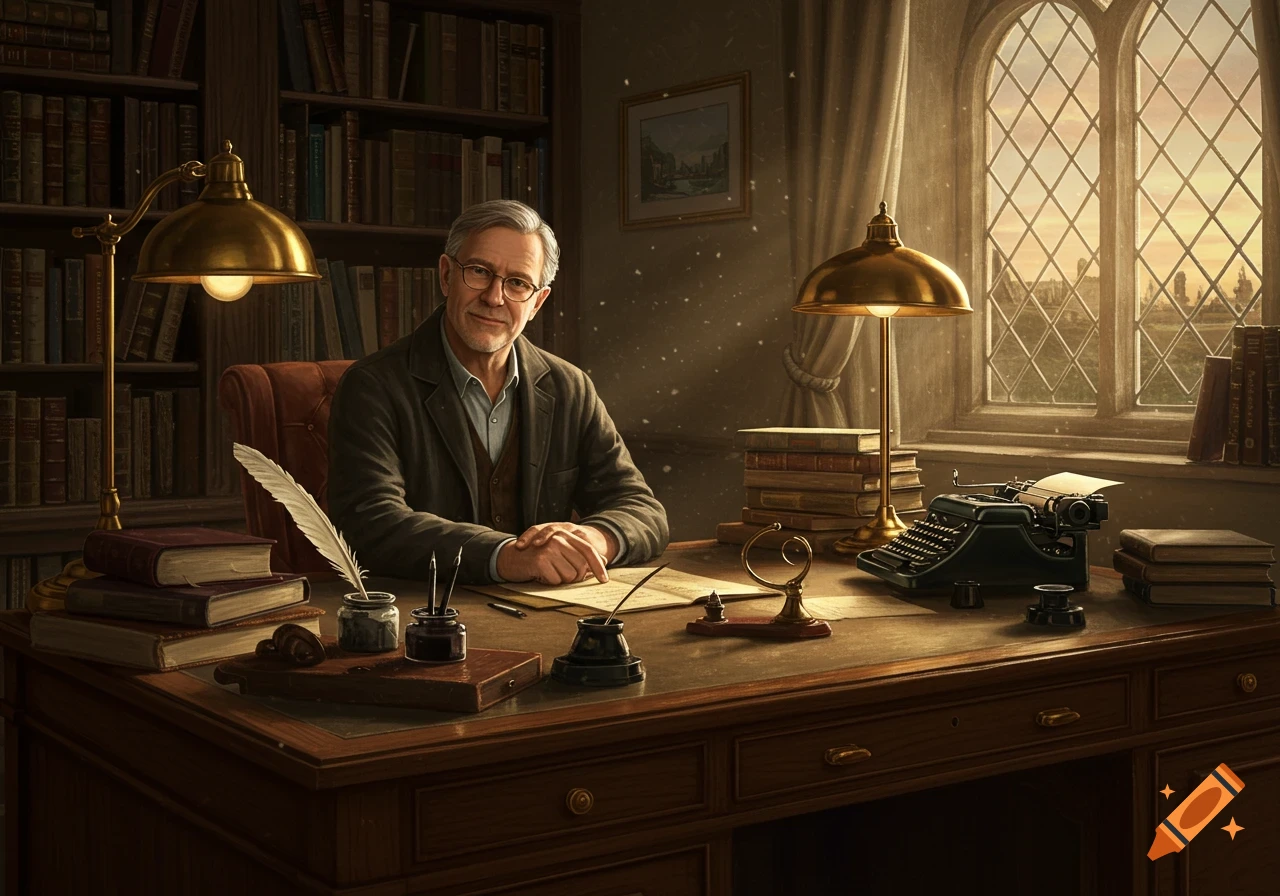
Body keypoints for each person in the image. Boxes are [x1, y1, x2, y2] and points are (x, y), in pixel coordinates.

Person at [327, 199, 669, 586]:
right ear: (445, 275)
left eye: (518, 283)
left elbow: (643, 511)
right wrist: (505, 556)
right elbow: (371, 523)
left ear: (537, 302)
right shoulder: (373, 386)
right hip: (425, 620)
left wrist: (594, 538)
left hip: (545, 615)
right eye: (479, 271)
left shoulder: (569, 387)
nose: (494, 297)